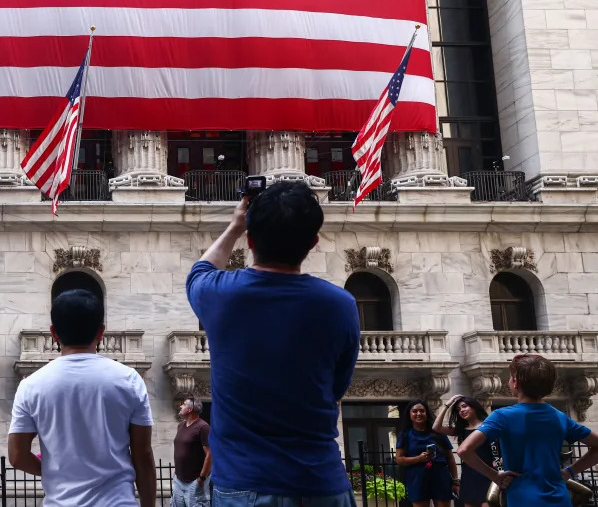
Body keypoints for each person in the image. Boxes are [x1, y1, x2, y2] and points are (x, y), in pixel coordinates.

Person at [186, 182, 360, 506]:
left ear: (250, 240)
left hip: (242, 486)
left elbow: (200, 269)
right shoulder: (341, 305)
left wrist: (236, 224)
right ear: (313, 242)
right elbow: (336, 388)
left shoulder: (218, 293)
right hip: (322, 484)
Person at [8, 288, 156, 506]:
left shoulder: (31, 386)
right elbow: (143, 455)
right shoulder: (129, 380)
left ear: (54, 333)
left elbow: (17, 456)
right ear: (100, 332)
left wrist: (52, 472)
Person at [458, 354, 598, 505]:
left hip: (522, 498)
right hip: (560, 498)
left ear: (515, 383)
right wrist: (569, 472)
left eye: (511, 376)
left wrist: (495, 476)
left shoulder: (502, 416)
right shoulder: (559, 417)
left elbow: (464, 450)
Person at [395, 399, 459, 507]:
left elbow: (451, 459)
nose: (419, 414)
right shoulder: (405, 435)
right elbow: (399, 459)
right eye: (415, 411)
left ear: (427, 413)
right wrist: (418, 459)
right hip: (417, 478)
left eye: (422, 411)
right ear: (409, 414)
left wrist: (455, 481)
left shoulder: (438, 433)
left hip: (440, 477)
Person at [433, 395, 493, 507]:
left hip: (488, 473)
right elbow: (436, 428)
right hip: (469, 475)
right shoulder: (461, 430)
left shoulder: (489, 425)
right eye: (458, 410)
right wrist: (448, 404)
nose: (461, 411)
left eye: (464, 406)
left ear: (474, 406)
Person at [172, 398, 211, 507]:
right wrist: (177, 470)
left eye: (183, 404)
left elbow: (210, 454)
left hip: (194, 482)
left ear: (190, 409)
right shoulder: (180, 426)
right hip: (179, 481)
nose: (181, 406)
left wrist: (202, 478)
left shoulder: (203, 427)